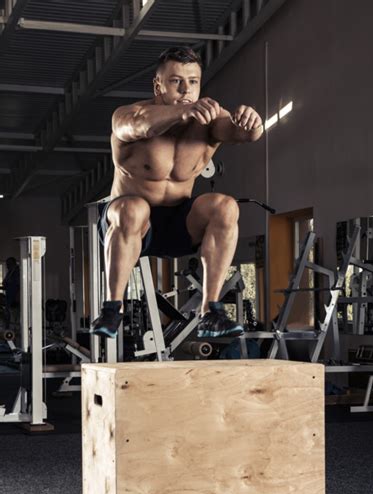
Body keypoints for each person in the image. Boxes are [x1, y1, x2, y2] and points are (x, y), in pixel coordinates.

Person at [92, 45, 263, 338]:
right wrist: (182, 111)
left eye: (193, 82)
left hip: (180, 224)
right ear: (158, 84)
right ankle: (112, 309)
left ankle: (212, 311)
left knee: (226, 206)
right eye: (176, 81)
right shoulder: (127, 114)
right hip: (131, 225)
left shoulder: (207, 121)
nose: (186, 89)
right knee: (133, 208)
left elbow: (238, 132)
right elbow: (140, 126)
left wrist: (252, 124)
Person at [2, 257, 20, 329]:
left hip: (15, 298)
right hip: (9, 298)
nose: (7, 266)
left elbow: (19, 285)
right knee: (7, 315)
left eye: (8, 264)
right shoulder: (9, 272)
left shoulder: (18, 271)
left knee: (15, 317)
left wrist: (17, 297)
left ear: (13, 263)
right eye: (6, 264)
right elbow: (5, 283)